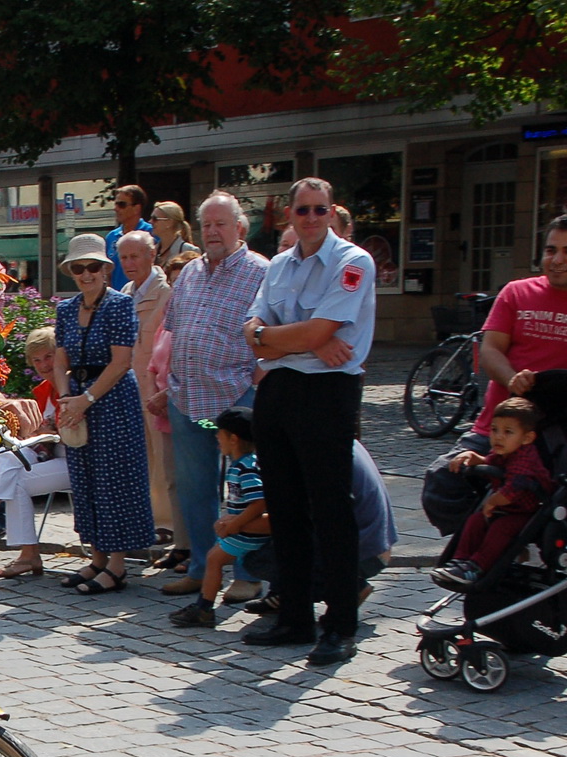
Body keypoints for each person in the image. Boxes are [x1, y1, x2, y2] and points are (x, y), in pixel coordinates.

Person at [427, 214, 567, 532]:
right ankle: (483, 543)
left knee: (529, 501)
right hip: (495, 428)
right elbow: (490, 351)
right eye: (550, 250)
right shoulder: (516, 293)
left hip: (548, 438)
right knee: (442, 482)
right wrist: (511, 378)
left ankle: (508, 542)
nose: (557, 260)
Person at [242, 176, 377, 666]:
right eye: (303, 210)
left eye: (321, 209)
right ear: (290, 215)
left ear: (333, 212)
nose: (312, 218)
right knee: (285, 507)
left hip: (328, 391)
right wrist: (300, 341)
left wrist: (285, 339)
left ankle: (340, 624)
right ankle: (294, 616)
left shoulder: (353, 262)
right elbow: (250, 330)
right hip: (278, 390)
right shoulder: (279, 264)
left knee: (331, 509)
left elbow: (317, 332)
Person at [158, 192, 269, 596]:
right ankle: (203, 570)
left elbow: (272, 331)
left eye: (221, 224)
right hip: (188, 399)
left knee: (246, 490)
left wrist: (258, 378)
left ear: (239, 227)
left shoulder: (261, 271)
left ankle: (247, 575)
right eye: (206, 225)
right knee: (196, 491)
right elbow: (174, 328)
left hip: (236, 398)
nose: (213, 232)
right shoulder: (189, 271)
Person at [52, 233, 152, 594]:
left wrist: (86, 399)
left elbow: (121, 361)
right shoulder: (66, 309)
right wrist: (67, 399)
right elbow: (59, 358)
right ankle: (97, 557)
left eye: (93, 267)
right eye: (79, 268)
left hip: (111, 399)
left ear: (105, 269)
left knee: (115, 479)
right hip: (77, 398)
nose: (86, 274)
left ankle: (118, 565)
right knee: (85, 478)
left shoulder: (119, 305)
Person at [240, 439, 397, 616]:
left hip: (363, 553)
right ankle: (281, 592)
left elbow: (290, 520)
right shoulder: (332, 437)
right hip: (376, 544)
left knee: (257, 559)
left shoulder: (311, 452)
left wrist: (237, 524)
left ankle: (348, 589)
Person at [0, 326, 70, 579]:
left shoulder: (72, 385)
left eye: (48, 356)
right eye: (37, 360)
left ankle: (23, 550)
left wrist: (52, 431)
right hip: (50, 455)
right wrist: (37, 431)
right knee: (8, 455)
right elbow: (37, 436)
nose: (43, 365)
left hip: (75, 460)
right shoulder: (42, 391)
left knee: (15, 480)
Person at [431, 397, 552, 590]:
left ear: (527, 438)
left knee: (500, 529)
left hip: (527, 513)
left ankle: (477, 566)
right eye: (494, 430)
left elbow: (514, 489)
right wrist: (472, 457)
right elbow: (489, 461)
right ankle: (459, 561)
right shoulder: (506, 450)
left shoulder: (526, 459)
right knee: (475, 521)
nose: (498, 437)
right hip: (507, 509)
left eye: (508, 432)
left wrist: (492, 501)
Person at [169, 407, 270, 628]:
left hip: (246, 532)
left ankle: (204, 608)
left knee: (214, 559)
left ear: (233, 439)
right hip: (242, 527)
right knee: (214, 557)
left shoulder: (245, 468)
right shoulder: (244, 464)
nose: (216, 437)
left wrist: (237, 523)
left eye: (219, 433)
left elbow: (259, 502)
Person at [119, 231, 182, 564]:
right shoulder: (125, 293)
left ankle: (166, 523)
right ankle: (143, 520)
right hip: (128, 387)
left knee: (161, 457)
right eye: (124, 258)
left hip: (154, 386)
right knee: (138, 455)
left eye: (135, 256)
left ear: (152, 255)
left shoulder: (166, 292)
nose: (129, 263)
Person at [104, 185, 152, 291]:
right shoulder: (111, 237)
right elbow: (107, 273)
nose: (116, 209)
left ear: (136, 208)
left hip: (146, 296)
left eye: (121, 204)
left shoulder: (151, 234)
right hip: (117, 297)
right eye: (115, 204)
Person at [150, 201, 200, 268]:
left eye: (154, 219)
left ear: (169, 222)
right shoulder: (151, 251)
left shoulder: (189, 250)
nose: (150, 221)